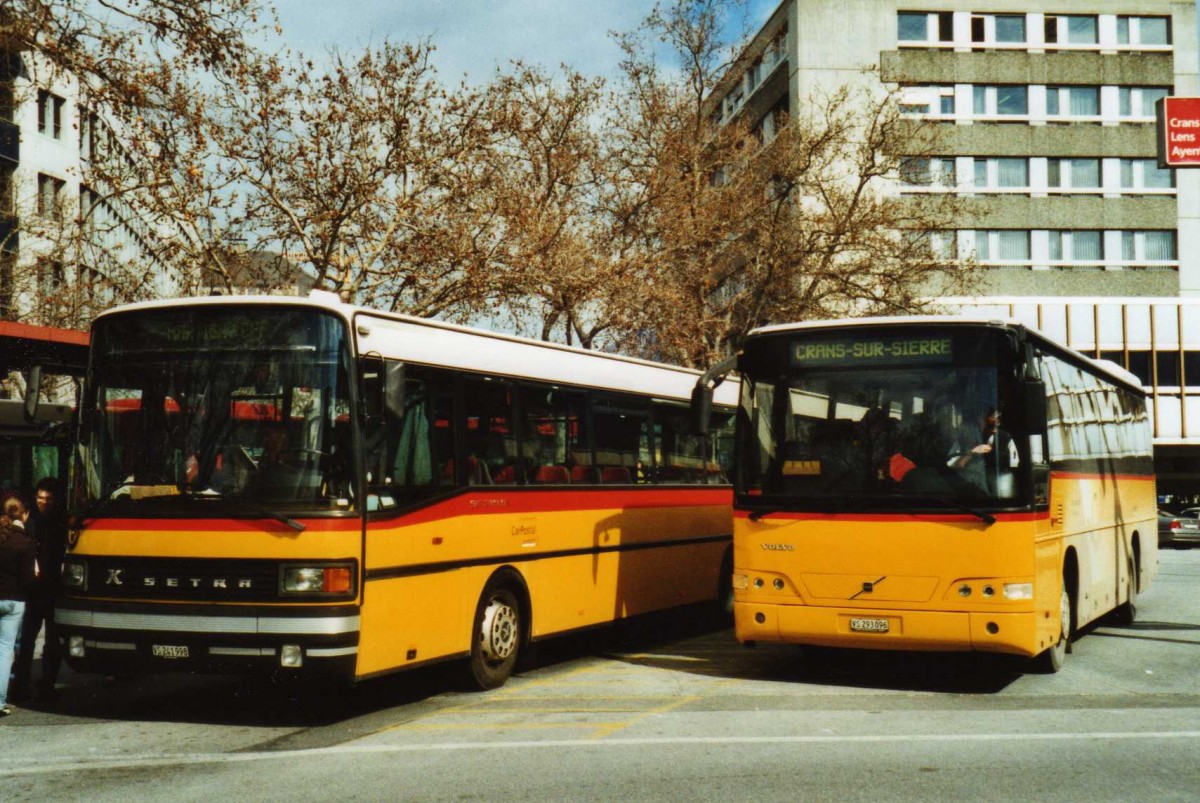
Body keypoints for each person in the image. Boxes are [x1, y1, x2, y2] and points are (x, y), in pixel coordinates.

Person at [13, 478, 67, 702]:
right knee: (26, 640)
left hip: (53, 588)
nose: (44, 502)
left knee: (52, 642)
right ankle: (21, 684)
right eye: (40, 498)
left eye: (48, 499)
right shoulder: (30, 520)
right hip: (33, 590)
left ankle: (47, 683)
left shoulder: (61, 522)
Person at [0, 497, 37, 716]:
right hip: (14, 601)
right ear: (24, 515)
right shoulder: (24, 542)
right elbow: (28, 581)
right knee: (5, 651)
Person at [948, 407, 1020, 492]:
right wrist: (972, 452)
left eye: (998, 420)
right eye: (990, 424)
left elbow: (1015, 467)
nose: (995, 428)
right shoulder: (964, 438)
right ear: (981, 419)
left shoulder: (1006, 438)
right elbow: (954, 466)